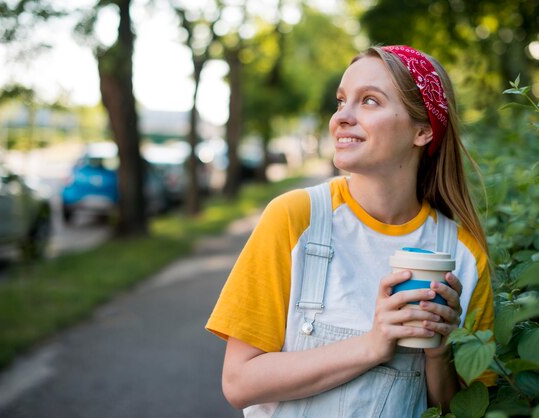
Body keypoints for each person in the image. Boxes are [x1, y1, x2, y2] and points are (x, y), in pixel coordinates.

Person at [206, 45, 494, 417]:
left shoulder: (465, 256)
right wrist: (373, 345)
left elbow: (467, 410)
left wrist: (439, 355)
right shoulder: (295, 218)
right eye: (341, 101)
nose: (342, 117)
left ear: (422, 130)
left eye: (369, 101)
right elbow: (239, 383)